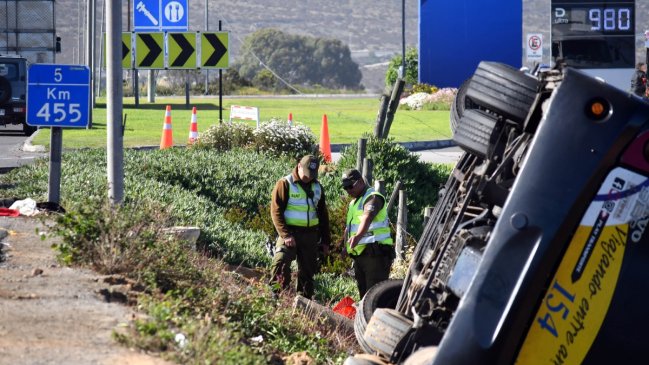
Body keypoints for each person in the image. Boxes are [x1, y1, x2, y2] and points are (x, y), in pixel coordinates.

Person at [269, 155, 330, 298]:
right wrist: (286, 235)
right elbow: (275, 211)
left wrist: (326, 241)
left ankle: (303, 303)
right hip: (290, 233)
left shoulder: (318, 187)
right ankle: (276, 295)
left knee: (307, 273)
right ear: (299, 166)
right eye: (307, 174)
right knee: (280, 262)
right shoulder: (285, 183)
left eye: (312, 175)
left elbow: (323, 215)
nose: (309, 178)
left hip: (310, 235)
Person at [341, 169, 395, 298]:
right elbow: (349, 228)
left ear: (360, 181)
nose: (348, 190)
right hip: (360, 255)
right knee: (364, 296)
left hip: (376, 254)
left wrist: (357, 237)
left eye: (350, 186)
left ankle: (378, 318)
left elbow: (367, 217)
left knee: (374, 296)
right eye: (345, 188)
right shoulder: (354, 203)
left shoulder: (373, 197)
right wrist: (344, 247)